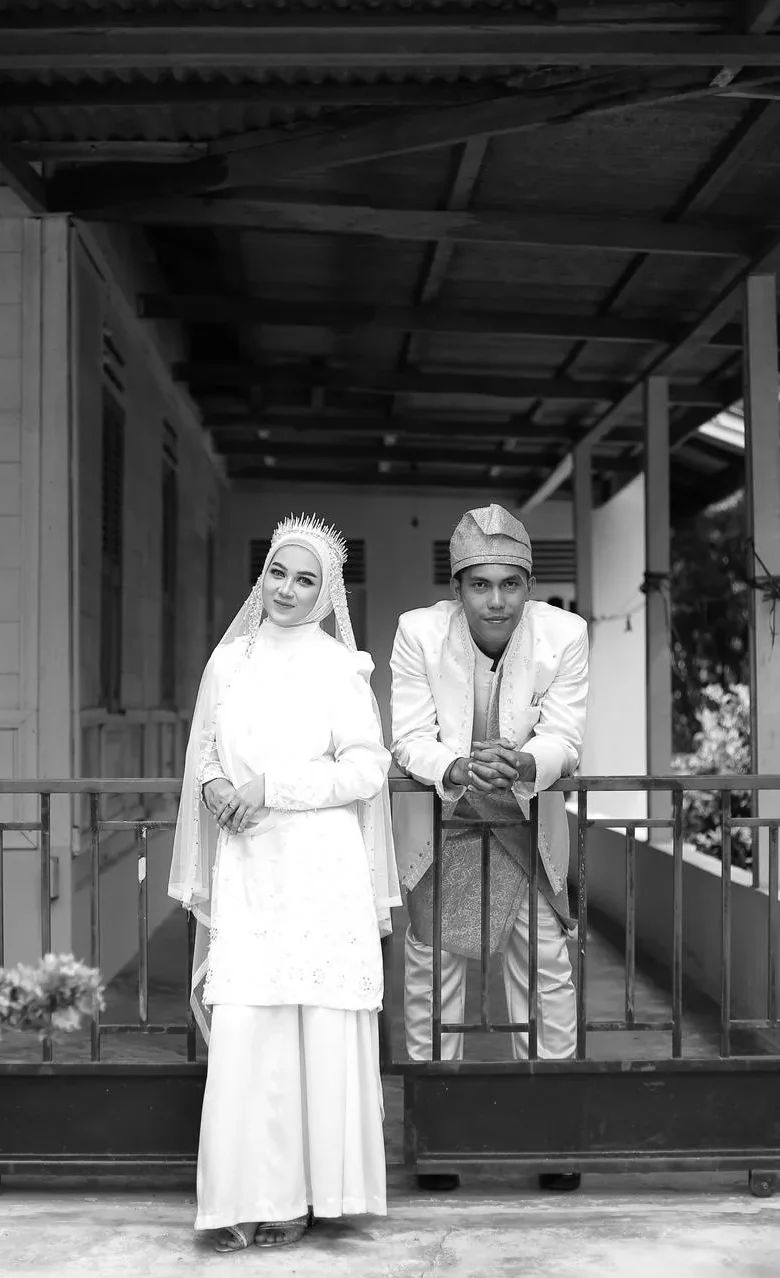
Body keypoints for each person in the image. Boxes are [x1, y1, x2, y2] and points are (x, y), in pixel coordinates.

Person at [169, 514, 401, 1253]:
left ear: (326, 592)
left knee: (318, 1025)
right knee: (249, 1024)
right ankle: (251, 1196)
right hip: (248, 861)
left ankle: (312, 1196)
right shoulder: (227, 661)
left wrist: (272, 786)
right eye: (278, 572)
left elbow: (367, 768)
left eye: (306, 579)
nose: (288, 589)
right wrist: (214, 785)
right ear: (262, 574)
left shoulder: (340, 666)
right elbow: (206, 747)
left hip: (321, 867)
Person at [390, 503, 588, 1193]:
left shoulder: (564, 635)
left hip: (525, 826)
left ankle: (555, 1136)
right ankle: (435, 1137)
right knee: (432, 977)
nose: (496, 600)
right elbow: (407, 736)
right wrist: (453, 767)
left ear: (529, 585)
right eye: (480, 584)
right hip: (445, 825)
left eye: (510, 584)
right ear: (457, 587)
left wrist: (529, 763)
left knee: (547, 970)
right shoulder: (419, 633)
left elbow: (565, 734)